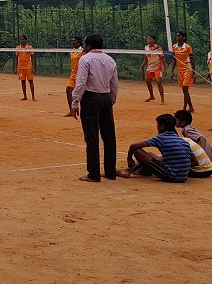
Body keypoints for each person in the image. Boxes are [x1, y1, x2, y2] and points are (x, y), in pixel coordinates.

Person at [70, 34, 119, 182]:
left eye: (84, 45)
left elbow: (81, 83)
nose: (83, 47)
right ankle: (110, 171)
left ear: (89, 46)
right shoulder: (110, 60)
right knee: (109, 136)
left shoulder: (86, 59)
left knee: (91, 136)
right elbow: (114, 83)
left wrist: (74, 102)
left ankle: (93, 173)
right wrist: (111, 99)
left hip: (91, 98)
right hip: (105, 97)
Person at [118, 113, 193, 182]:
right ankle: (141, 170)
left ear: (162, 127)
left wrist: (129, 159)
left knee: (137, 151)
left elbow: (133, 146)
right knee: (150, 154)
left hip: (171, 175)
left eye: (158, 125)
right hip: (184, 176)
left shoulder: (161, 138)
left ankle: (129, 170)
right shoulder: (181, 140)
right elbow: (195, 161)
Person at [170, 31, 195, 112]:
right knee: (184, 90)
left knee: (185, 88)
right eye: (176, 36)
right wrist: (172, 70)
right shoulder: (174, 46)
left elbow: (192, 60)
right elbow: (174, 59)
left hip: (187, 69)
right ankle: (191, 107)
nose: (177, 37)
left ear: (183, 37)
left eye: (179, 36)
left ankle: (184, 108)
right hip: (180, 70)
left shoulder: (187, 47)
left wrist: (193, 72)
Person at [139, 35, 166, 105]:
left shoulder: (158, 48)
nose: (148, 40)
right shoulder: (146, 47)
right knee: (147, 81)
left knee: (159, 82)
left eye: (150, 39)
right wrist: (141, 67)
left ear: (154, 40)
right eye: (148, 39)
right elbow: (145, 58)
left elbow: (163, 58)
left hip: (158, 68)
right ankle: (151, 96)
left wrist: (164, 68)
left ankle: (162, 100)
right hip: (150, 67)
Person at [63, 36, 84, 118]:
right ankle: (71, 111)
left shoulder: (83, 51)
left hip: (81, 75)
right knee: (68, 90)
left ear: (78, 42)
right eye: (72, 41)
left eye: (74, 41)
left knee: (82, 94)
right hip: (73, 75)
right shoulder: (71, 52)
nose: (72, 42)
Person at [15, 35, 35, 100]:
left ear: (26, 40)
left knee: (30, 81)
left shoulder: (29, 47)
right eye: (20, 39)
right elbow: (16, 58)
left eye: (23, 39)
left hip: (28, 66)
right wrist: (16, 68)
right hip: (20, 67)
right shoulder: (18, 48)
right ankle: (25, 96)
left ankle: (33, 96)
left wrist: (33, 67)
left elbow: (32, 57)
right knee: (22, 81)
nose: (21, 41)